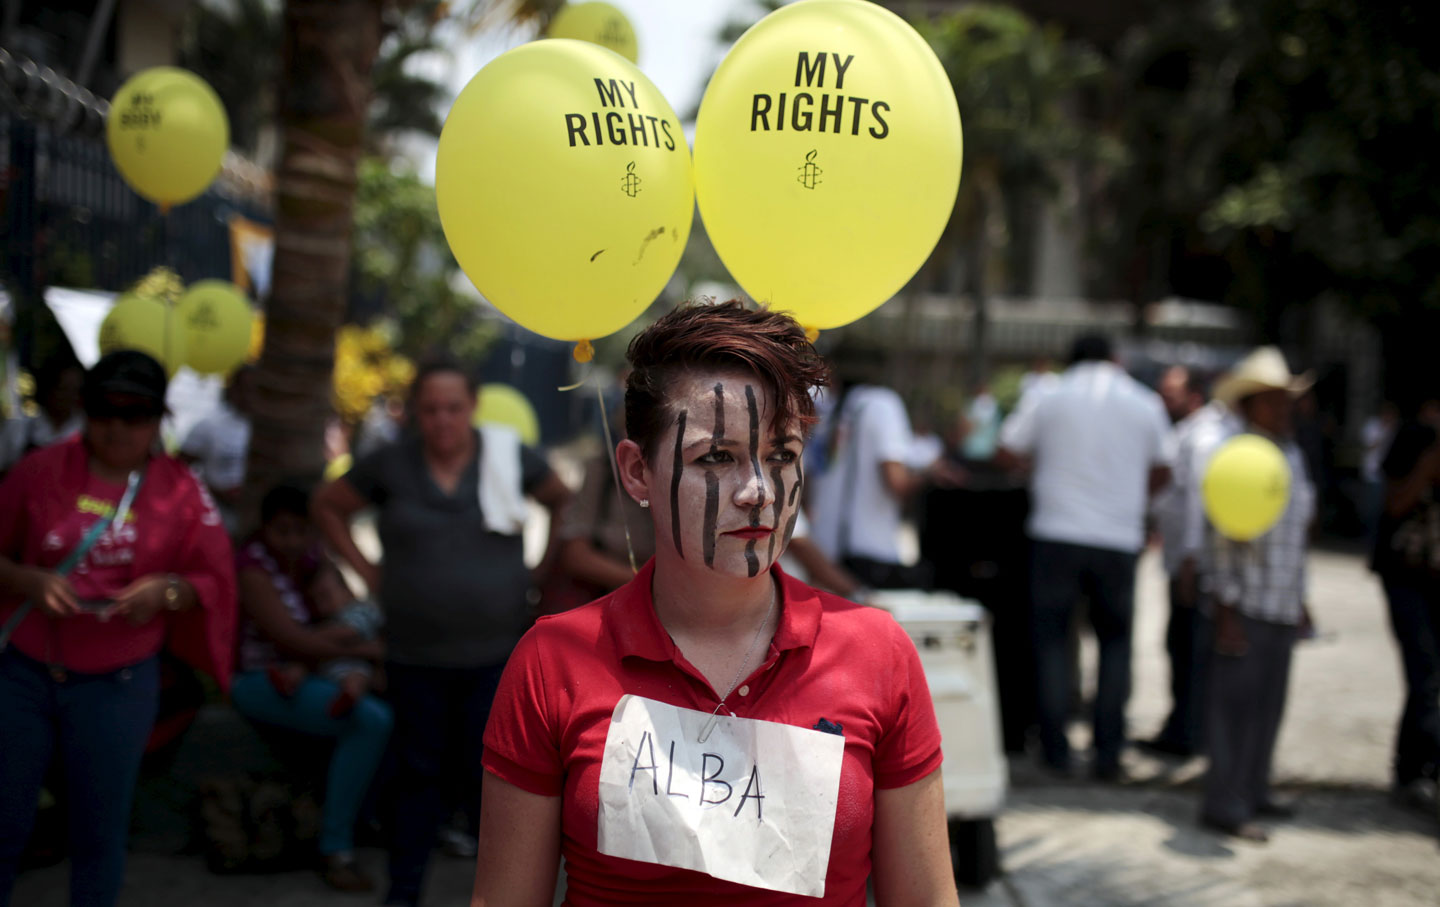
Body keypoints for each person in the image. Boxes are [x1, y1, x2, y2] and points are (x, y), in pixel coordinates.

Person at [473, 301, 957, 906]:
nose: (757, 491)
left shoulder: (877, 652)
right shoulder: (554, 660)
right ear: (636, 472)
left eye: (781, 454)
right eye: (716, 457)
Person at [311, 361, 570, 907]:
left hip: (497, 652)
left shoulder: (506, 456)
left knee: (497, 780)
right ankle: (405, 893)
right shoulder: (390, 463)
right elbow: (328, 505)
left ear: (472, 407)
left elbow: (558, 498)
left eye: (453, 407)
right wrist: (369, 572)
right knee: (418, 776)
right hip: (416, 652)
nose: (442, 420)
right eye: (430, 409)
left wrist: (539, 574)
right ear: (414, 413)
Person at [0, 350, 236, 907]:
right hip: (25, 676)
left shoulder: (181, 490)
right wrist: (27, 579)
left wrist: (168, 591)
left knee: (99, 836)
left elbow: (216, 577)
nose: (118, 428)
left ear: (159, 421)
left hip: (118, 683)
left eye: (136, 416)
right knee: (5, 824)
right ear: (85, 410)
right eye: (105, 411)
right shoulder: (39, 471)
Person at [996, 334, 1173, 779]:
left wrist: (1038, 471)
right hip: (1118, 538)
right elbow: (1165, 467)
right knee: (1115, 644)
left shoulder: (1049, 394)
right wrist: (1133, 499)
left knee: (1053, 641)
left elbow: (1006, 448)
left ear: (1068, 359)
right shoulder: (1144, 401)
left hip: (1055, 533)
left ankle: (1056, 751)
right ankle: (1108, 754)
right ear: (1115, 359)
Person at [230, 484, 392, 892]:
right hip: (260, 679)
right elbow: (294, 642)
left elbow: (350, 612)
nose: (292, 541)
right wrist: (371, 649)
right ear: (264, 528)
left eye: (301, 531)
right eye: (282, 531)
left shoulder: (311, 561)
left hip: (310, 671)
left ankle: (363, 820)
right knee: (369, 722)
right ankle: (336, 848)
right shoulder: (253, 568)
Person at [1199, 347, 1315, 843]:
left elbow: (1296, 536)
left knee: (1269, 706)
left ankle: (1255, 788)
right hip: (1244, 606)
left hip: (1282, 604)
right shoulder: (1237, 457)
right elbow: (1221, 542)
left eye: (1286, 399)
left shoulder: (1291, 453)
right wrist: (1225, 610)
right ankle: (1226, 804)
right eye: (1272, 400)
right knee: (1234, 712)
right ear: (1249, 405)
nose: (1284, 407)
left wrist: (1303, 600)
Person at [807, 353, 958, 590]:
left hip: (821, 553)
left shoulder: (825, 411)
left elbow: (807, 486)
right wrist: (930, 473)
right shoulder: (881, 404)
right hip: (869, 552)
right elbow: (896, 483)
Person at [1141, 365, 1227, 759]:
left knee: (1190, 648)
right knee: (1179, 645)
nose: (1163, 399)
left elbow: (1197, 502)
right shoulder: (1187, 432)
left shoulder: (1203, 437)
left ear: (1194, 394)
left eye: (1171, 392)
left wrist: (1191, 559)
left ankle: (1189, 733)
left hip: (1191, 564)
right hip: (1180, 560)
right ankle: (1182, 725)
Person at [1370, 392, 1440, 813]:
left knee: (1428, 680)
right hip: (1408, 577)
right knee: (1425, 674)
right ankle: (1417, 772)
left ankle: (1413, 769)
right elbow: (1394, 505)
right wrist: (1428, 468)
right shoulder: (1414, 438)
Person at [180, 365, 255, 533]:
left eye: (255, 389)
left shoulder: (271, 428)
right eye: (245, 388)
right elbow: (179, 468)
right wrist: (213, 490)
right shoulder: (209, 425)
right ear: (234, 389)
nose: (250, 395)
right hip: (217, 516)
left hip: (256, 519)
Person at [0, 356, 84, 473]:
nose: (70, 397)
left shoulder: (86, 430)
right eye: (63, 389)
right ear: (47, 388)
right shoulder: (19, 428)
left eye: (76, 390)